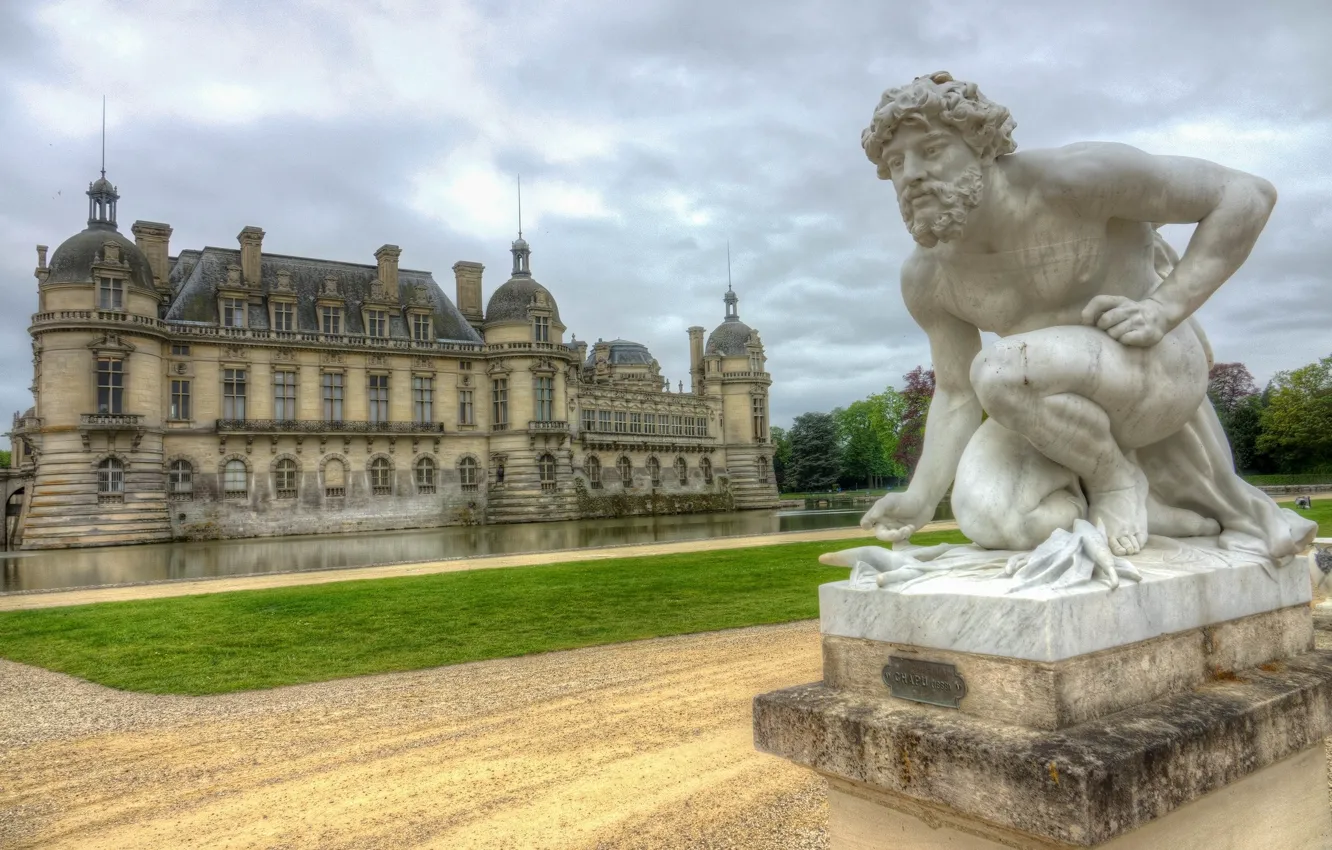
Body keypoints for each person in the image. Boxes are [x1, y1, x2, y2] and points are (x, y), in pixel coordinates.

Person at [858, 72, 1315, 567]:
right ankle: (1156, 509)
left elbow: (1245, 194)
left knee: (1001, 368)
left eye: (931, 150)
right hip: (1041, 396)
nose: (912, 174)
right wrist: (921, 497)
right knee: (993, 518)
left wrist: (1163, 309)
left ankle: (1117, 480)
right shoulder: (927, 274)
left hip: (1152, 366)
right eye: (896, 163)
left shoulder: (1075, 180)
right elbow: (955, 392)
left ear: (983, 146)